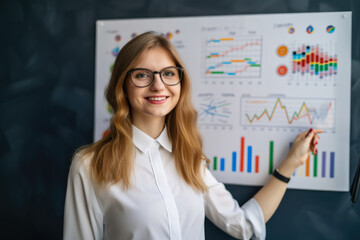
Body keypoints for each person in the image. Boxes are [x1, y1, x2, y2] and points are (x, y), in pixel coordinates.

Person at [63, 31, 322, 240]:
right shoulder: (89, 165)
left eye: (168, 74)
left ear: (179, 83)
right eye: (142, 75)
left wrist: (290, 163)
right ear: (123, 85)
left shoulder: (189, 158)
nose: (158, 85)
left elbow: (242, 226)